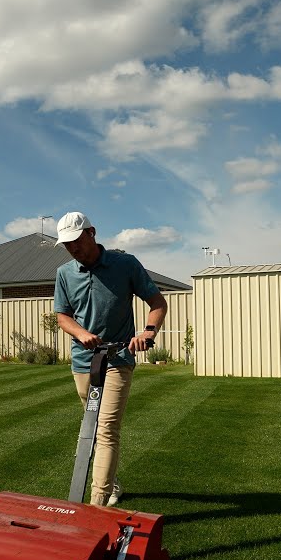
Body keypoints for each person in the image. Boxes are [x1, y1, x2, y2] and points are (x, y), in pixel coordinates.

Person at [53, 211, 167, 507]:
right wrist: (81, 334)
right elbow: (62, 316)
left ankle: (96, 504)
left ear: (91, 232)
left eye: (76, 241)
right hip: (83, 361)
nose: (72, 249)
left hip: (118, 357)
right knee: (91, 424)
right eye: (66, 244)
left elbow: (157, 302)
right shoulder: (65, 273)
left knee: (106, 427)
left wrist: (148, 331)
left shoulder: (125, 264)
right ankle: (112, 481)